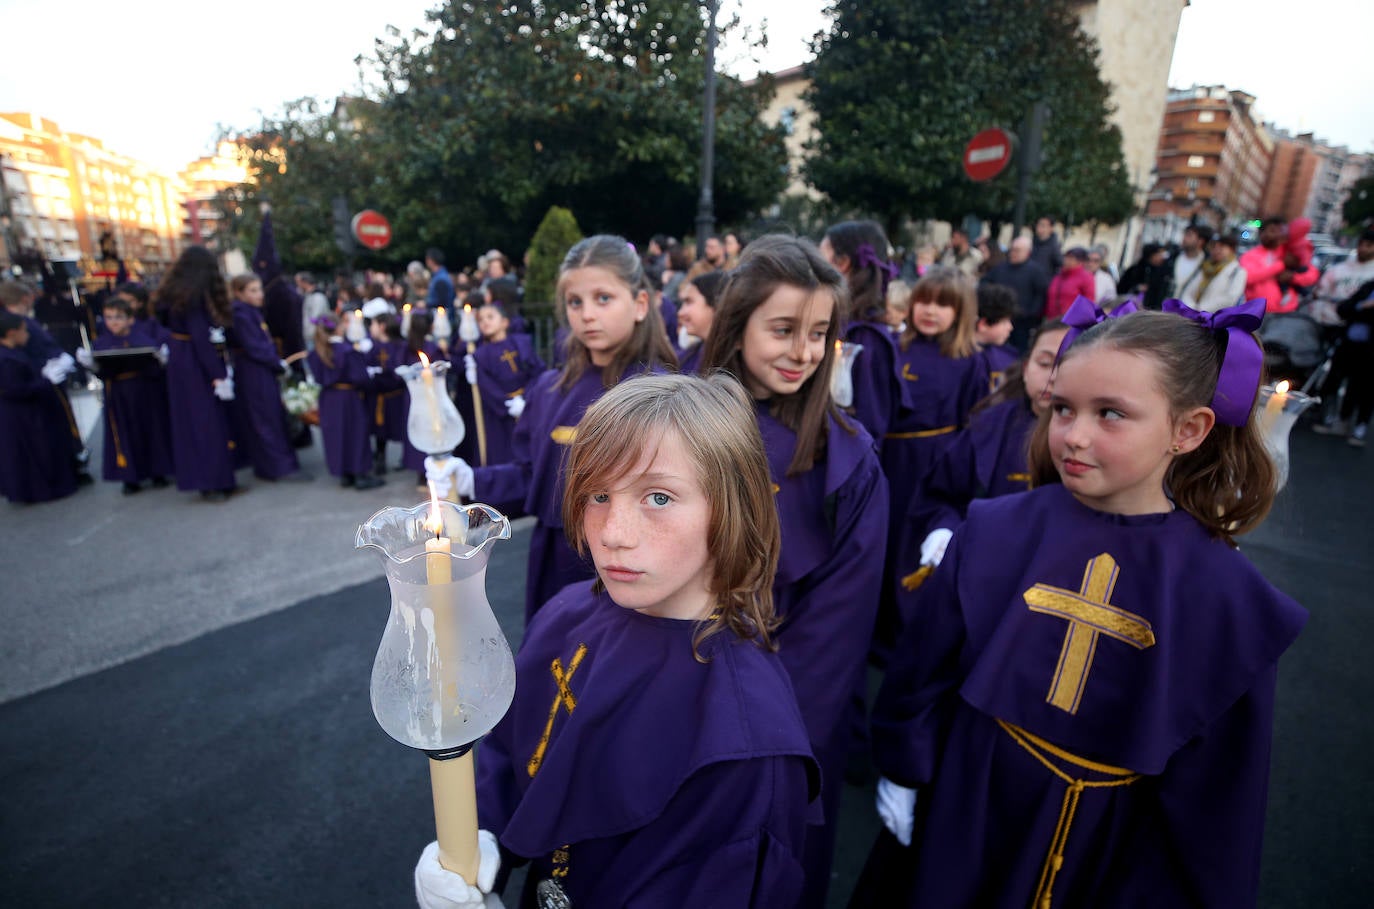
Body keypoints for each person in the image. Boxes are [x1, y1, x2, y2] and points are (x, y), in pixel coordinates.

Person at [855, 303, 1307, 908]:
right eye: (1064, 408)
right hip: (965, 807)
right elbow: (922, 667)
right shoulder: (995, 530)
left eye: (1110, 413)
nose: (1073, 434)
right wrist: (904, 765)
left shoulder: (1226, 598)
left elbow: (1220, 790)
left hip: (1108, 846)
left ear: (1188, 429)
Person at [413, 373, 818, 909]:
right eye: (598, 495)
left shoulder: (745, 749)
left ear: (731, 506)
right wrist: (479, 838)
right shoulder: (567, 612)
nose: (612, 533)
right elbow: (513, 749)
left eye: (658, 497)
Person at [700, 234, 888, 909]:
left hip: (776, 708)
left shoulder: (847, 458)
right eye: (783, 330)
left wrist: (769, 740)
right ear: (737, 324)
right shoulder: (676, 417)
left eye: (818, 334)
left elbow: (837, 629)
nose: (804, 352)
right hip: (670, 679)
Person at [429, 235, 677, 621]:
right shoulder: (549, 389)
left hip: (632, 564)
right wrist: (470, 480)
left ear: (640, 304)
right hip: (555, 560)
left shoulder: (663, 395)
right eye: (575, 302)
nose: (587, 314)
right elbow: (532, 475)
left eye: (603, 298)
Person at [908, 319, 1070, 564]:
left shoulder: (1087, 440)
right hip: (983, 558)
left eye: (1066, 366)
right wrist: (943, 530)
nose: (1053, 376)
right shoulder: (988, 426)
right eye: (1045, 363)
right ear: (1026, 367)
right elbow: (942, 495)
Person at [155, 246, 239, 502]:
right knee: (207, 422)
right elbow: (200, 338)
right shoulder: (193, 298)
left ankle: (204, 480)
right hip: (194, 360)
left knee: (189, 423)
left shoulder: (172, 293)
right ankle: (215, 480)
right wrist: (217, 374)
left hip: (179, 359)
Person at [820, 220, 906, 439]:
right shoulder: (837, 319)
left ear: (842, 263)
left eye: (820, 257)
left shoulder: (866, 337)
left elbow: (870, 421)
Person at [86, 295, 173, 494]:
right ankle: (130, 477)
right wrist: (93, 366)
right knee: (124, 433)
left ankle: (157, 472)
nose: (114, 322)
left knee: (150, 430)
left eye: (119, 317)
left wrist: (159, 361)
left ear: (130, 319)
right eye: (109, 317)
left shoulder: (141, 339)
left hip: (143, 391)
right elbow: (103, 372)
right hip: (118, 394)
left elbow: (154, 368)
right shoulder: (101, 343)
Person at [227, 274, 304, 483]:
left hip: (261, 369)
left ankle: (276, 464)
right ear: (239, 293)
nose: (259, 294)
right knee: (264, 417)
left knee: (271, 415)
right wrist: (275, 362)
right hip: (254, 372)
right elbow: (254, 346)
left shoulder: (250, 312)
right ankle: (278, 466)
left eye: (259, 289)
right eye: (252, 290)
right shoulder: (241, 315)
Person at [0, 310, 81, 504]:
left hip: (26, 412)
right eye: (24, 330)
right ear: (12, 333)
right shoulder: (6, 359)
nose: (27, 334)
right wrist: (46, 381)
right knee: (33, 453)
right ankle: (40, 489)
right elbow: (15, 389)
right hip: (21, 416)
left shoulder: (14, 353)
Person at [306, 312, 383, 490]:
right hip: (348, 398)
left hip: (329, 398)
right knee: (355, 434)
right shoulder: (347, 351)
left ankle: (344, 473)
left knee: (336, 435)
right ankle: (360, 473)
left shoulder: (316, 352)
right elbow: (361, 377)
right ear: (339, 328)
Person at [465, 299, 546, 468]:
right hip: (500, 411)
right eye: (480, 319)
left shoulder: (520, 343)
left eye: (490, 317)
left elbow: (536, 371)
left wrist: (526, 398)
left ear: (504, 322)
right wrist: (506, 404)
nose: (485, 322)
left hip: (528, 403)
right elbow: (487, 386)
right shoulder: (480, 354)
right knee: (504, 450)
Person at [1313, 276, 1374, 446]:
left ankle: (1360, 426)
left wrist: (1360, 310)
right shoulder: (1369, 286)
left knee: (1365, 389)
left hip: (1370, 352)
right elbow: (1344, 308)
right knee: (1335, 379)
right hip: (1349, 344)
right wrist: (1363, 307)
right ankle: (1337, 420)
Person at [982, 236, 1050, 351]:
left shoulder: (1036, 271)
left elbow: (1041, 295)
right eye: (1012, 249)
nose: (1013, 253)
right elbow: (985, 282)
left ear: (1027, 253)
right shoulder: (1001, 267)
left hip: (1022, 322)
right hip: (999, 318)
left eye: (1017, 250)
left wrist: (1031, 314)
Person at [1241, 218, 1319, 313]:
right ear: (1261, 233)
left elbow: (1312, 274)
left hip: (1287, 313)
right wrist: (1281, 265)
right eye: (1272, 231)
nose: (1277, 235)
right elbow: (1248, 277)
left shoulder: (1290, 252)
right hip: (1257, 312)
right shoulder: (1250, 255)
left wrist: (1293, 277)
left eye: (1280, 231)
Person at [675, 269, 727, 375]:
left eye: (689, 302)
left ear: (717, 304)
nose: (680, 313)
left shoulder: (737, 364)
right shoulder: (687, 357)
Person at [1179, 232, 1247, 313]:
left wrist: (1200, 309)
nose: (1216, 250)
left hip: (1214, 317)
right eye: (1214, 247)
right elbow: (1189, 290)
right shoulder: (1205, 267)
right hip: (1192, 314)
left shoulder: (1237, 272)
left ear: (1231, 250)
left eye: (1221, 247)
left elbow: (1230, 298)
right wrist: (1191, 307)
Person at [974, 283, 1019, 390]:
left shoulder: (1009, 356)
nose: (1010, 327)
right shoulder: (963, 359)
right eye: (1004, 322)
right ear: (983, 324)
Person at [1047, 248, 1099, 319]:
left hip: (1071, 320)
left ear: (1080, 261)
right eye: (1066, 257)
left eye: (1071, 258)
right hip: (1052, 319)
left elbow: (1088, 302)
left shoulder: (1086, 277)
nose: (1066, 261)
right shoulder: (1059, 276)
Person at [1118, 243, 1171, 310]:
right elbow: (1122, 288)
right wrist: (1137, 287)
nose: (1161, 257)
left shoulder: (1163, 273)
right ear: (1152, 255)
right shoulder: (1135, 270)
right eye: (1159, 254)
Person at [1169, 224, 1212, 299]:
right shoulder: (1172, 258)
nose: (1184, 238)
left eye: (1189, 235)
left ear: (1200, 241)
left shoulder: (1206, 265)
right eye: (1185, 234)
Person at [295, 272, 330, 346]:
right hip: (309, 336)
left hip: (314, 337)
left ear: (304, 282)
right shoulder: (308, 296)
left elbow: (315, 317)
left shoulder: (318, 297)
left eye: (298, 282)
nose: (297, 285)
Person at [425, 248, 456, 313]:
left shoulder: (440, 279)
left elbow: (442, 301)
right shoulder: (441, 276)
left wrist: (426, 304)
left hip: (440, 315)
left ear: (431, 260)